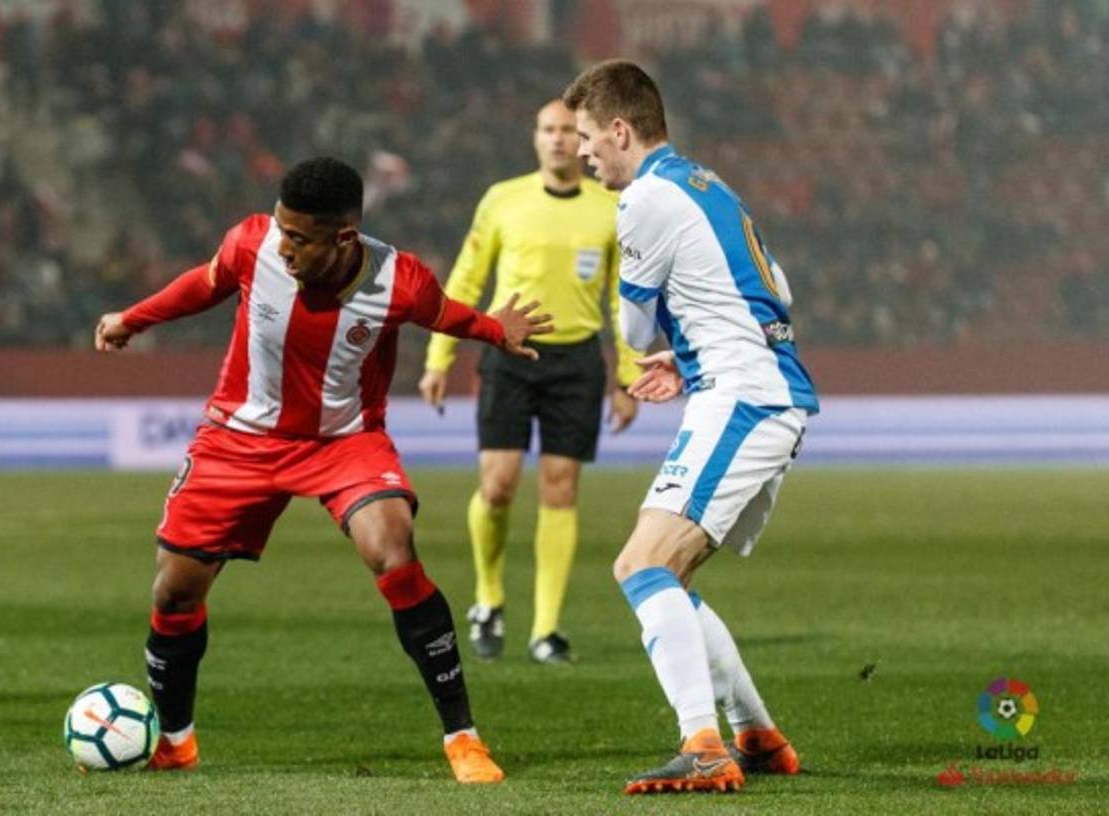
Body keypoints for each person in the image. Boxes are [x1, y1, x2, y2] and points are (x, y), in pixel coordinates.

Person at [93, 157, 553, 783]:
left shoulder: (400, 280)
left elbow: (446, 313)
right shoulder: (251, 242)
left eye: (299, 239)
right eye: (282, 230)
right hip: (239, 438)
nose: (283, 248)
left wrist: (496, 329)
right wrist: (130, 320)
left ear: (342, 239)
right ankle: (175, 741)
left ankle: (463, 739)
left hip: (345, 442)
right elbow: (203, 284)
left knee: (392, 548)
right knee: (174, 590)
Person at [562, 60, 819, 794]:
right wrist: (697, 351)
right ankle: (757, 736)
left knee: (641, 566)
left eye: (586, 136)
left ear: (619, 129)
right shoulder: (706, 183)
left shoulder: (643, 198)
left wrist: (669, 350)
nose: (582, 152)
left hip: (743, 396)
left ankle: (703, 746)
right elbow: (779, 291)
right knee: (661, 573)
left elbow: (634, 327)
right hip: (752, 385)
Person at [418, 100, 641, 665]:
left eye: (569, 130)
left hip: (577, 361)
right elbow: (467, 279)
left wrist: (629, 377)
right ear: (535, 138)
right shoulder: (503, 200)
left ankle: (546, 628)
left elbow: (624, 299)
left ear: (583, 138)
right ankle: (488, 599)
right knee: (497, 486)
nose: (559, 139)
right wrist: (439, 355)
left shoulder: (610, 206)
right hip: (509, 354)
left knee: (561, 487)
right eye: (548, 129)